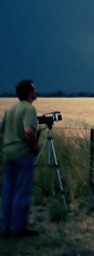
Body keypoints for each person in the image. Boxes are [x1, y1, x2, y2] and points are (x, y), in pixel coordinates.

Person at [0, 79, 40, 239]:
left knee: (8, 191)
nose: (36, 91)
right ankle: (18, 228)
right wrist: (33, 147)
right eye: (34, 88)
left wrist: (9, 143)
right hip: (23, 155)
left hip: (8, 154)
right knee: (22, 192)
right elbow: (28, 132)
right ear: (29, 93)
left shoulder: (10, 110)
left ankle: (5, 228)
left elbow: (1, 133)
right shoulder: (29, 109)